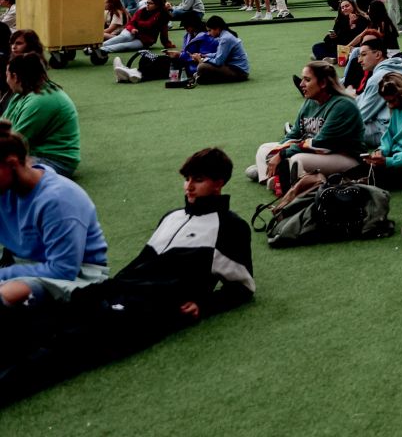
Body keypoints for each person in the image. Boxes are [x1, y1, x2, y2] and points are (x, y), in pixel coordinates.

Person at [0, 146, 253, 405]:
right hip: (117, 288)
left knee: (69, 345)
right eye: (186, 179)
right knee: (42, 318)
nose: (188, 187)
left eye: (198, 180)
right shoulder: (172, 216)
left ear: (219, 183)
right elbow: (142, 264)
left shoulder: (231, 228)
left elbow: (243, 287)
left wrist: (204, 304)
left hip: (151, 307)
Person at [0, 121, 108, 306]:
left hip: (78, 277)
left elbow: (62, 270)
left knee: (8, 294)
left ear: (12, 164)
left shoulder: (59, 200)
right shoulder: (5, 189)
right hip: (24, 267)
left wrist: (4, 275)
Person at [249, 61, 365, 193]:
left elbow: (322, 144)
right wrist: (277, 151)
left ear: (322, 83)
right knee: (264, 149)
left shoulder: (343, 105)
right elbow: (294, 134)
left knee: (297, 160)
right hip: (315, 152)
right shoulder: (310, 102)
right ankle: (273, 178)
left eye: (307, 80)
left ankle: (277, 177)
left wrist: (282, 154)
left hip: (345, 157)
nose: (301, 84)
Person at [1, 55, 81, 179]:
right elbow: (4, 127)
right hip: (36, 153)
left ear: (15, 77)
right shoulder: (21, 94)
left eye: (7, 75)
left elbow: (14, 144)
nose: (6, 80)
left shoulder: (40, 100)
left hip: (55, 160)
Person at [351, 36, 402, 149]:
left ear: (378, 55)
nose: (359, 60)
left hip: (384, 131)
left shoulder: (378, 78)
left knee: (341, 129)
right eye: (359, 55)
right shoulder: (400, 68)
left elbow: (361, 116)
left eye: (363, 55)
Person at [191, 16, 249, 84]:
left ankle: (205, 78)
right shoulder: (224, 35)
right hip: (234, 68)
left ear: (217, 29)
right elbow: (218, 54)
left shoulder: (225, 39)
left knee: (202, 66)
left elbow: (218, 61)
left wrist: (202, 60)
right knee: (202, 67)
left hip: (239, 72)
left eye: (210, 30)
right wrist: (203, 55)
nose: (209, 33)